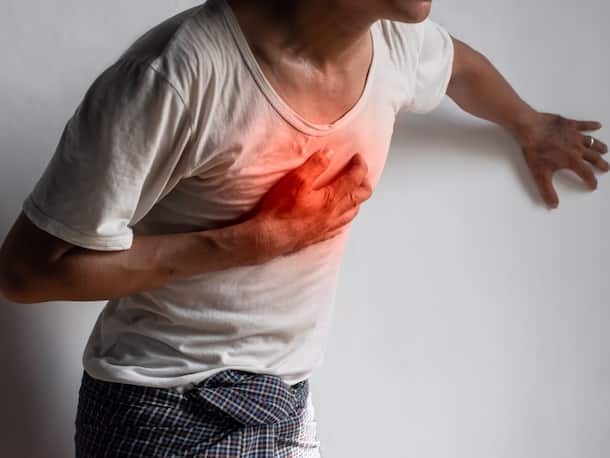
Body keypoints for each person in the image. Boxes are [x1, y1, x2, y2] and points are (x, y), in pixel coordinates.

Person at [0, 0, 607, 456]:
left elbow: (459, 69)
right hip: (166, 410)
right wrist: (248, 243)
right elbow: (25, 273)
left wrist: (531, 125)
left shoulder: (395, 45)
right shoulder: (177, 74)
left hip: (283, 406)